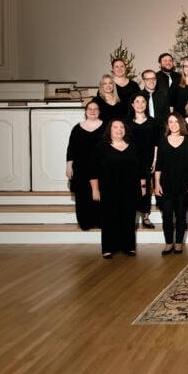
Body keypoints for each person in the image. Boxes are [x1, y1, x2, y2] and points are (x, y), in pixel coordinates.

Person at [89, 119, 146, 259]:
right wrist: (95, 190)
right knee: (109, 218)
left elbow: (141, 169)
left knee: (128, 217)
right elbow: (93, 171)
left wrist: (143, 186)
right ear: (110, 130)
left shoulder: (133, 147)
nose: (119, 130)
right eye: (115, 127)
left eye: (122, 127)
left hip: (130, 188)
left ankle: (129, 247)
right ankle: (108, 248)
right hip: (109, 189)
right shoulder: (101, 147)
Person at [154, 112, 188, 255]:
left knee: (180, 214)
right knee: (166, 215)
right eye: (170, 122)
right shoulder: (163, 141)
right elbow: (159, 165)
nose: (173, 124)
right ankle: (168, 243)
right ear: (168, 125)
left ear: (181, 124)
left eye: (176, 121)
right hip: (166, 184)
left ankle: (178, 243)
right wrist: (157, 184)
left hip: (183, 184)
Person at [65, 102, 104, 230]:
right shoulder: (77, 128)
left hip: (100, 167)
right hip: (81, 167)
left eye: (95, 108)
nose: (93, 111)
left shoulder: (106, 127)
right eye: (90, 108)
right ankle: (85, 222)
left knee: (100, 194)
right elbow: (71, 149)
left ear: (99, 111)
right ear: (86, 111)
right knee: (82, 195)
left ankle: (99, 220)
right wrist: (69, 166)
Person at [126, 93, 158, 230]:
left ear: (146, 104)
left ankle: (145, 216)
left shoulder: (153, 121)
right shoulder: (126, 122)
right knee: (131, 189)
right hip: (130, 161)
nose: (140, 104)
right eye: (137, 101)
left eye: (143, 101)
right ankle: (131, 217)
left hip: (148, 160)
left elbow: (157, 143)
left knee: (145, 189)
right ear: (132, 104)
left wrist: (155, 160)